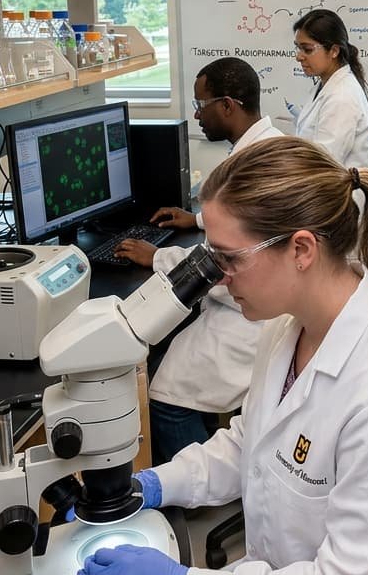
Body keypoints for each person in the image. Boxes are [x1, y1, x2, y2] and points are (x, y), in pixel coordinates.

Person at [81, 137, 368, 575]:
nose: (217, 279)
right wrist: (152, 484)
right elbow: (252, 442)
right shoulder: (288, 326)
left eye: (228, 258)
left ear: (301, 250)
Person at [112, 57, 286, 461]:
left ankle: (202, 479)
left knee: (163, 393)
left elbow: (222, 263)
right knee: (171, 348)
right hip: (259, 305)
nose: (196, 114)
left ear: (227, 105)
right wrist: (198, 219)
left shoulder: (246, 167)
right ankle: (211, 444)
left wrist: (157, 256)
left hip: (250, 317)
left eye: (201, 103)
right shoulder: (268, 145)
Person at [290, 9, 368, 169]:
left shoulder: (342, 96)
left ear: (334, 51)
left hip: (335, 192)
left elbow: (324, 164)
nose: (299, 56)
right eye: (298, 48)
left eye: (307, 49)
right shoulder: (325, 87)